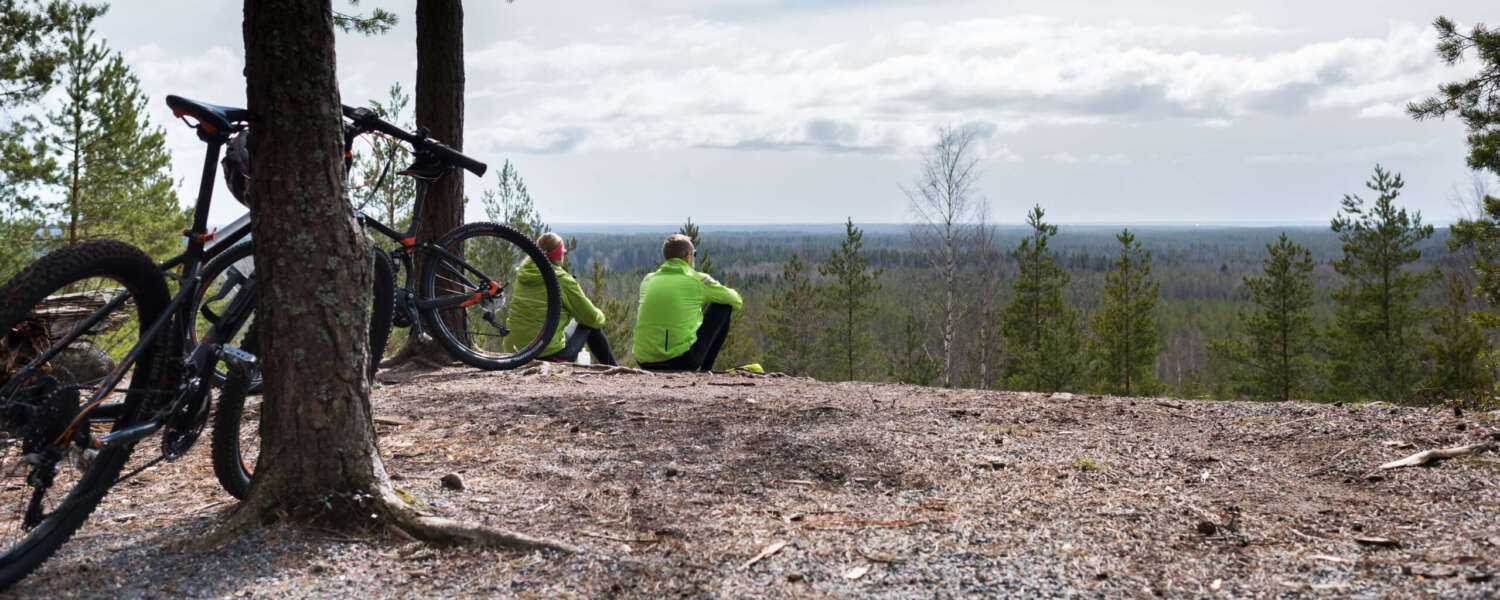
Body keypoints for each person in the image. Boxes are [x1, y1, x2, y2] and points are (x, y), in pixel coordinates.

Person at [503, 232, 617, 365]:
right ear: (558, 254)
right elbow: (591, 318)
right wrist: (601, 316)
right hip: (546, 354)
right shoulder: (562, 280)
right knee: (589, 323)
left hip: (515, 351)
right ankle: (614, 368)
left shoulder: (522, 274)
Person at [633, 233, 742, 371]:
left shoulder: (648, 279)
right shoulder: (697, 280)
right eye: (694, 255)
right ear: (688, 256)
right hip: (681, 361)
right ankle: (706, 369)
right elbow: (736, 300)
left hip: (644, 361)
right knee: (724, 305)